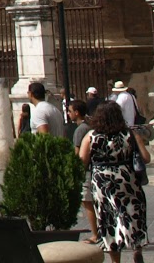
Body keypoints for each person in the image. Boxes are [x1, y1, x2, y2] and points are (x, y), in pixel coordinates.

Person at [79, 100, 149, 263]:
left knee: (108, 219)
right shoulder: (131, 134)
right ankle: (136, 247)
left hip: (103, 182)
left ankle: (115, 261)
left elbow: (82, 161)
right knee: (131, 214)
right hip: (127, 178)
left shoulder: (91, 137)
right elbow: (146, 157)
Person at [67, 99, 100, 245]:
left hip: (87, 171)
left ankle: (95, 234)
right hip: (95, 169)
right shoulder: (89, 126)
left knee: (87, 202)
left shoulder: (80, 130)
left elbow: (78, 153)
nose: (68, 114)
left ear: (77, 112)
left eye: (70, 111)